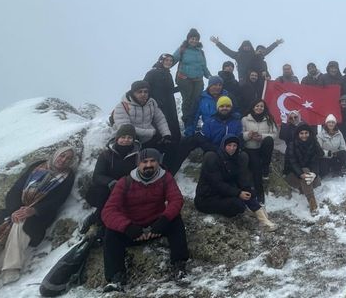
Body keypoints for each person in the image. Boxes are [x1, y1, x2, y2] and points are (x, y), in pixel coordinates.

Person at [0, 148, 76, 296]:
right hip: (11, 212)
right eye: (62, 155)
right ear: (56, 155)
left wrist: (33, 210)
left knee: (20, 224)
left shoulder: (67, 176)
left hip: (37, 217)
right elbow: (16, 189)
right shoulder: (38, 166)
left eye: (68, 158)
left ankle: (11, 270)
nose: (64, 160)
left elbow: (57, 200)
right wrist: (14, 209)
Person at [100, 149, 189, 292]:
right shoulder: (125, 182)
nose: (149, 165)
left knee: (176, 221)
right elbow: (108, 211)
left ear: (158, 162)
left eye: (153, 161)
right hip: (132, 230)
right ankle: (116, 277)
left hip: (156, 226)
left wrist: (164, 219)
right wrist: (127, 227)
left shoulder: (165, 178)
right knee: (110, 233)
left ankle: (179, 266)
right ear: (138, 164)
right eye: (144, 161)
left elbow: (176, 200)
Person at [195, 136, 277, 232]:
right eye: (229, 145)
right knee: (237, 205)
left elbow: (242, 182)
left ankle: (261, 218)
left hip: (222, 194)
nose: (232, 148)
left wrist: (255, 205)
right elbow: (217, 184)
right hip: (206, 198)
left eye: (234, 146)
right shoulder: (212, 157)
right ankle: (247, 212)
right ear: (223, 145)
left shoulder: (235, 159)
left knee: (244, 195)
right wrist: (238, 193)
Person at [82, 125, 140, 233]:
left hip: (126, 189)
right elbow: (97, 176)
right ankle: (98, 220)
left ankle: (97, 220)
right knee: (104, 195)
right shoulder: (106, 155)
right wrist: (111, 182)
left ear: (133, 139)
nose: (126, 140)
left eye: (129, 137)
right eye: (123, 137)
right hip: (104, 190)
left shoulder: (138, 156)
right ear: (117, 138)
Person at [173, 29, 211, 129]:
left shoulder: (201, 52)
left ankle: (195, 121)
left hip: (198, 80)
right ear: (188, 39)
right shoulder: (183, 49)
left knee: (197, 101)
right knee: (188, 100)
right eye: (192, 38)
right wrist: (162, 66)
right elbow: (173, 59)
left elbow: (204, 66)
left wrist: (210, 77)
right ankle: (187, 122)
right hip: (184, 78)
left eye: (196, 39)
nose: (194, 40)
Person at [242, 99, 279, 204]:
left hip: (263, 147)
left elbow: (274, 135)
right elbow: (240, 133)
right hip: (250, 148)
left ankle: (266, 166)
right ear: (253, 107)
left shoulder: (269, 119)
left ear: (264, 108)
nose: (259, 108)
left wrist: (261, 137)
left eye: (261, 106)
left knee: (268, 140)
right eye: (257, 106)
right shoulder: (245, 119)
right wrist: (248, 135)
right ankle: (260, 195)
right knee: (256, 168)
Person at [283, 125, 323, 214]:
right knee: (305, 171)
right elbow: (292, 163)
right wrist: (301, 174)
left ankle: (303, 187)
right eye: (301, 133)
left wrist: (314, 174)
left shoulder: (313, 143)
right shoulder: (292, 144)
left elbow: (315, 161)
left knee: (316, 183)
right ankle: (312, 202)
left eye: (306, 133)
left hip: (307, 175)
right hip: (292, 175)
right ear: (297, 134)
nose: (304, 135)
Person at [210, 36, 283, 85]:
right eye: (245, 46)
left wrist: (276, 43)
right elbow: (227, 51)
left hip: (255, 78)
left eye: (248, 46)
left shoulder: (254, 54)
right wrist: (217, 43)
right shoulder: (238, 55)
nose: (247, 47)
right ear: (242, 47)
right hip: (243, 79)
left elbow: (266, 51)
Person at [143, 53, 181, 143]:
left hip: (170, 105)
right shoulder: (152, 73)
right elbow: (144, 88)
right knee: (160, 130)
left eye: (171, 61)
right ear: (161, 60)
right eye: (166, 60)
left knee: (173, 129)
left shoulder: (168, 74)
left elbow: (169, 90)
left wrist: (181, 87)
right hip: (157, 106)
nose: (169, 62)